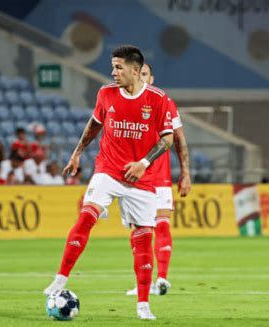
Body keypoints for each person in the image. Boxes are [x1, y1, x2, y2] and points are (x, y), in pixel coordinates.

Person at [43, 45, 173, 320]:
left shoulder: (158, 99)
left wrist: (144, 163)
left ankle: (142, 304)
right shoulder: (106, 94)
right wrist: (77, 153)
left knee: (142, 240)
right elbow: (93, 125)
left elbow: (167, 139)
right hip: (108, 169)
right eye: (113, 67)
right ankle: (60, 278)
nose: (113, 72)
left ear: (135, 70)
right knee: (86, 216)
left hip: (141, 178)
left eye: (119, 67)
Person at [126, 63, 191, 296]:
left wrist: (185, 172)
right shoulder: (125, 101)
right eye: (137, 74)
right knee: (138, 230)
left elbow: (179, 139)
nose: (140, 78)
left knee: (161, 223)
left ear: (151, 79)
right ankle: (143, 283)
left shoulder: (164, 103)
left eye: (144, 74)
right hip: (134, 178)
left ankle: (162, 278)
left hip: (159, 174)